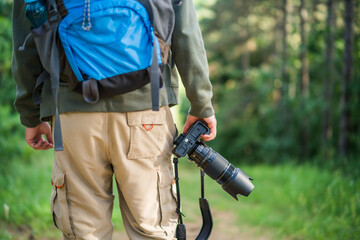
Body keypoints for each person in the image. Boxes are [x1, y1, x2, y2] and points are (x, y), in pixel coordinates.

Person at [12, 0, 216, 239]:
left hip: (73, 112)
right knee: (152, 229)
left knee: (84, 230)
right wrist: (201, 105)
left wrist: (30, 115)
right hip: (146, 109)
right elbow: (185, 30)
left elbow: (25, 41)